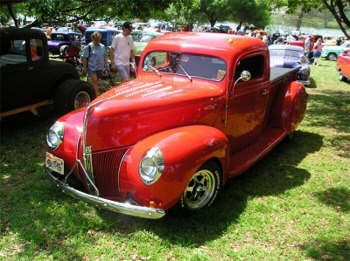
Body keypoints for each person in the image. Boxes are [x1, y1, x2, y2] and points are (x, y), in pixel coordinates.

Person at [81, 31, 107, 96]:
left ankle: (91, 91)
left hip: (100, 68)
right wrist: (84, 68)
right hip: (92, 68)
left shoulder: (102, 47)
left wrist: (106, 65)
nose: (97, 41)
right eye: (96, 39)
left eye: (98, 39)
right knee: (95, 82)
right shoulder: (88, 47)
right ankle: (96, 96)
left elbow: (104, 56)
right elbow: (84, 58)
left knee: (96, 81)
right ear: (93, 39)